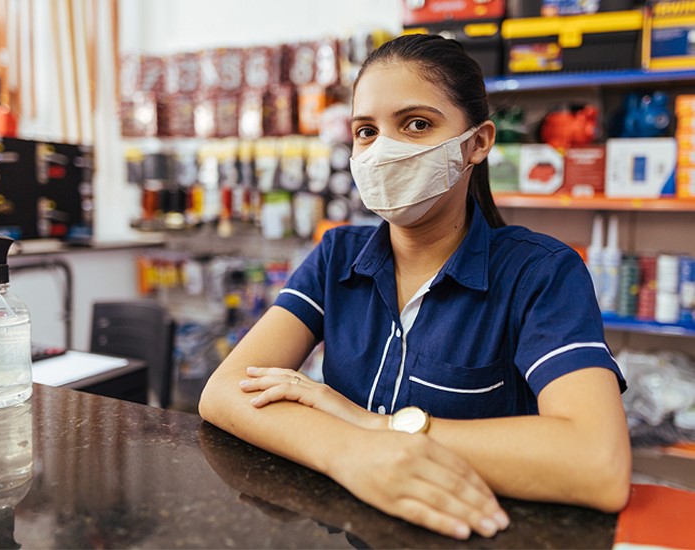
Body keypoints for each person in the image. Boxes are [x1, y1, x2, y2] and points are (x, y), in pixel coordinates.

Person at [199, 33, 631, 540]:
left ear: (478, 142)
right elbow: (225, 393)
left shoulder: (540, 273)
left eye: (417, 124)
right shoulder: (337, 256)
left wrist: (373, 426)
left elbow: (596, 462)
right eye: (366, 131)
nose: (383, 150)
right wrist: (348, 451)